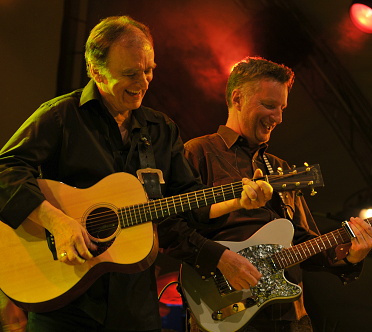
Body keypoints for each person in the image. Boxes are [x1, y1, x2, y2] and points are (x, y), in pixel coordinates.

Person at [0, 17, 272, 332]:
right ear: (95, 71)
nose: (143, 82)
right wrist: (57, 222)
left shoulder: (161, 130)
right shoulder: (61, 116)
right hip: (64, 304)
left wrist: (236, 200)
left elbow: (187, 203)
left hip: (135, 306)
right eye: (130, 73)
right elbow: (6, 169)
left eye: (149, 70)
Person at [178, 57, 372, 331]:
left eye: (282, 108)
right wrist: (221, 260)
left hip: (290, 318)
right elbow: (175, 230)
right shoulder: (198, 152)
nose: (279, 118)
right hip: (223, 312)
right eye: (269, 105)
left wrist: (350, 256)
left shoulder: (281, 169)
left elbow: (305, 242)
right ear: (237, 98)